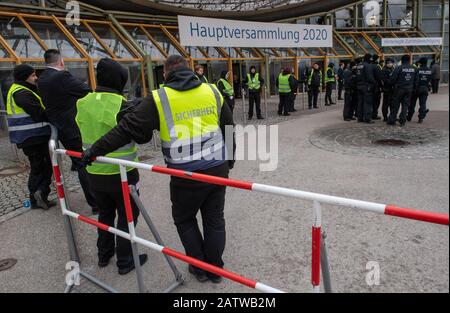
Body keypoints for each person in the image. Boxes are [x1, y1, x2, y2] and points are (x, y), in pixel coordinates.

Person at [79, 55, 235, 284]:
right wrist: (229, 160)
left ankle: (200, 267)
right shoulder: (212, 90)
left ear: (165, 74)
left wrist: (93, 151)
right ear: (191, 70)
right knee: (215, 219)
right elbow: (229, 126)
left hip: (185, 174)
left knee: (185, 219)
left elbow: (125, 129)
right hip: (216, 168)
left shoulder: (159, 98)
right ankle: (215, 269)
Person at [75, 58, 147, 274]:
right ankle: (125, 260)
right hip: (122, 172)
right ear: (120, 80)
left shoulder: (82, 102)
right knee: (127, 216)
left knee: (105, 214)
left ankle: (104, 255)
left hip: (94, 172)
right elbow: (141, 136)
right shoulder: (121, 104)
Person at [37, 49, 98, 214]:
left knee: (78, 162)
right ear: (61, 62)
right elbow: (86, 90)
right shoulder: (61, 76)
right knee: (83, 162)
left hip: (61, 128)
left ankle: (95, 200)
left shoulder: (41, 79)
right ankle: (95, 203)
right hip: (73, 127)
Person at [6, 64, 55, 210]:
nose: (36, 77)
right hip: (33, 137)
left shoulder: (21, 89)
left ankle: (38, 196)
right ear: (24, 77)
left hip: (31, 137)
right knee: (40, 167)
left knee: (40, 166)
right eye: (33, 75)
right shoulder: (22, 92)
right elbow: (38, 113)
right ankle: (38, 195)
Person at [387, 54, 417, 126]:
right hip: (409, 89)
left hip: (399, 89)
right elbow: (416, 80)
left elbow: (393, 79)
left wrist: (391, 85)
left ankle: (392, 120)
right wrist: (414, 89)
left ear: (402, 60)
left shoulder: (398, 68)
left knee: (395, 105)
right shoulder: (414, 68)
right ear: (409, 60)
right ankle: (402, 121)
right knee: (405, 105)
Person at [407, 57, 431, 123]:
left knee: (412, 104)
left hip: (416, 89)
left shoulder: (418, 70)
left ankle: (409, 117)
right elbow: (430, 80)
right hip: (425, 88)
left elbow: (414, 79)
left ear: (420, 63)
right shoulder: (429, 70)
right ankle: (421, 118)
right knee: (423, 104)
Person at [356, 53, 376, 123]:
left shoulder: (359, 65)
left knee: (360, 102)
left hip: (359, 85)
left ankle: (360, 118)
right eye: (371, 58)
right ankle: (367, 118)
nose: (371, 60)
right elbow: (370, 77)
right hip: (366, 86)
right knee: (367, 103)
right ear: (369, 58)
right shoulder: (368, 66)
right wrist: (374, 83)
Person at [381, 58, 395, 122]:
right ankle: (385, 117)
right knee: (385, 104)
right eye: (388, 63)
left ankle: (392, 116)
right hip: (387, 89)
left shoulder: (393, 69)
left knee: (392, 104)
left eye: (391, 63)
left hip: (392, 89)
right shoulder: (384, 70)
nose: (389, 64)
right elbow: (384, 80)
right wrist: (391, 82)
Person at [371, 54, 384, 120]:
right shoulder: (377, 67)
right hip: (376, 87)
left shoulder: (369, 66)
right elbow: (379, 78)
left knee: (370, 101)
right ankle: (374, 114)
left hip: (369, 86)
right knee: (376, 101)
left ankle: (370, 114)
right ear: (376, 59)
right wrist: (381, 86)